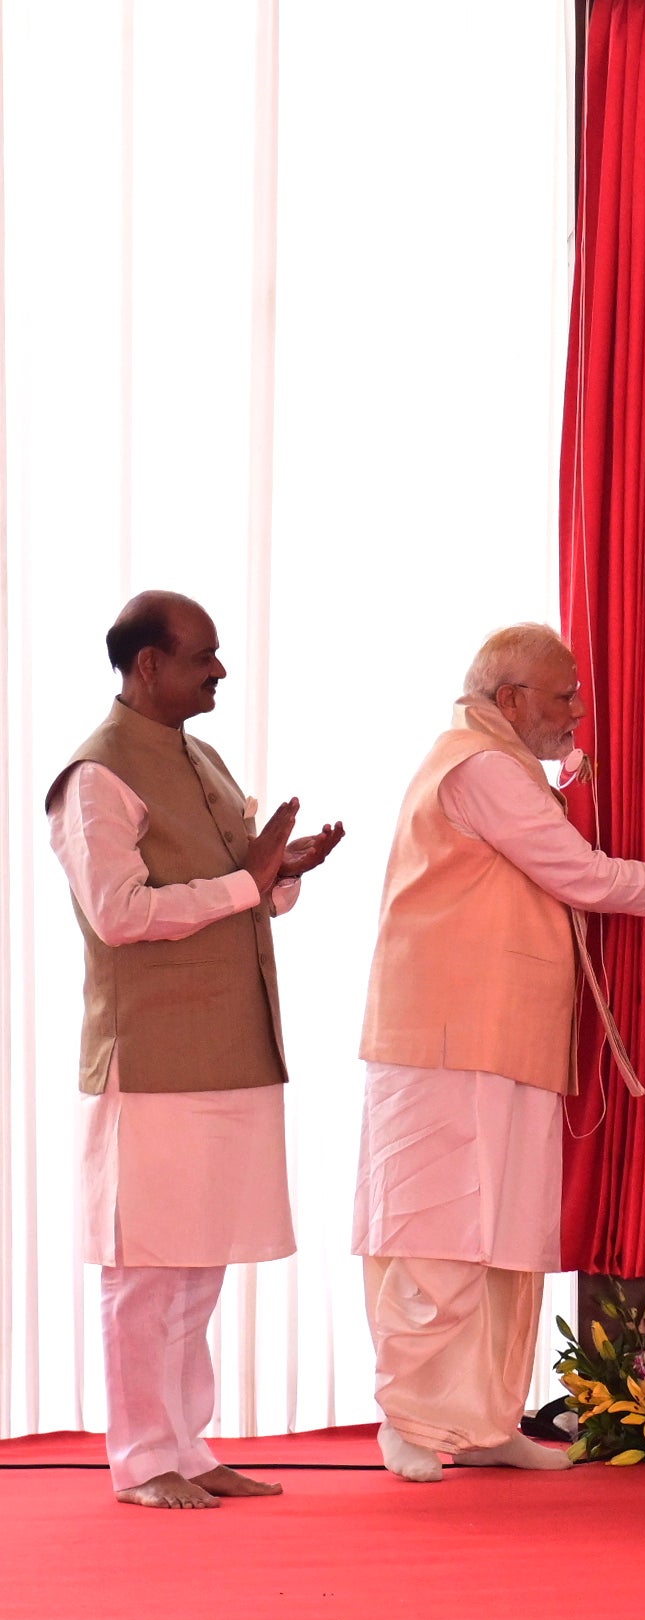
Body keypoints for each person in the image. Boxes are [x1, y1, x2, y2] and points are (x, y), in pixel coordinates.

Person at [354, 622, 645, 1481]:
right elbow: (581, 874)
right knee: (441, 1231)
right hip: (449, 1038)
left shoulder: (499, 765)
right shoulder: (481, 766)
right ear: (509, 701)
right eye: (565, 694)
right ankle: (412, 1422)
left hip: (503, 1036)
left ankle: (485, 1421)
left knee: (507, 1238)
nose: (580, 709)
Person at [47, 591, 346, 1510]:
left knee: (200, 1261)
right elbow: (120, 913)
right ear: (147, 666)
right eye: (201, 657)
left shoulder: (202, 758)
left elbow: (232, 893)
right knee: (147, 1268)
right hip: (151, 1057)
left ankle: (187, 1443)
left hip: (231, 1046)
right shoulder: (96, 776)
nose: (218, 670)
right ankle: (141, 1460)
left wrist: (278, 876)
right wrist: (243, 883)